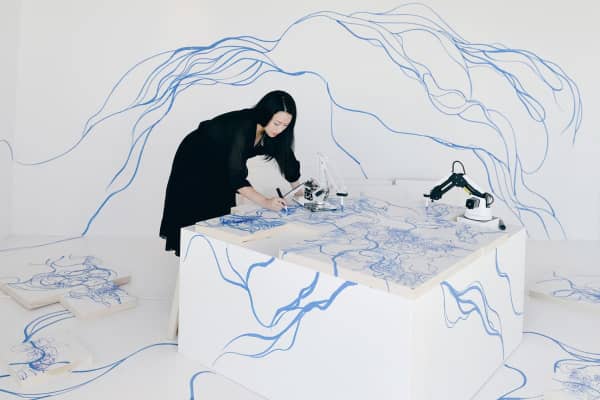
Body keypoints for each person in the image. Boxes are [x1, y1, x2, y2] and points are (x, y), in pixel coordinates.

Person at [159, 90, 301, 256]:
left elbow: (288, 160)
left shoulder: (273, 132)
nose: (280, 129)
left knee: (220, 212)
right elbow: (236, 178)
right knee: (198, 212)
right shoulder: (244, 125)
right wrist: (266, 202)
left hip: (221, 162)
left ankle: (213, 258)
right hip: (196, 160)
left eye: (285, 125)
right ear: (266, 114)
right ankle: (195, 258)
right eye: (277, 123)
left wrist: (299, 192)